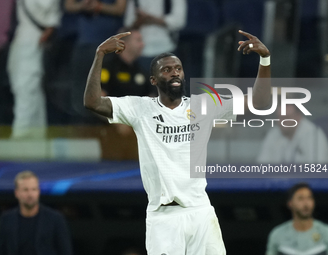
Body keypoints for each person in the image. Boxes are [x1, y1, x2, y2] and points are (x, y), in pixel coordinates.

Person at [83, 30, 271, 254]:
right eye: (166, 69)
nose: (174, 73)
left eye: (178, 69)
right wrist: (99, 55)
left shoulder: (205, 105)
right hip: (163, 218)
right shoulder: (140, 108)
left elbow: (259, 102)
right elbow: (92, 102)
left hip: (200, 211)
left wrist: (265, 59)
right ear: (153, 80)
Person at [65, 0, 127, 123]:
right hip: (84, 44)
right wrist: (83, 5)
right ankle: (82, 125)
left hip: (109, 44)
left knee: (107, 88)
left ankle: (107, 126)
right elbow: (68, 6)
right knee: (81, 90)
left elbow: (120, 8)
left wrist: (99, 6)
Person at [7, 0, 61, 139]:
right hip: (23, 35)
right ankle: (36, 135)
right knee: (26, 88)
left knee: (27, 87)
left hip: (33, 37)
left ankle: (21, 135)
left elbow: (48, 8)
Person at [0, 171, 73, 255]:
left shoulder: (55, 219)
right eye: (25, 190)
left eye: (34, 189)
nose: (30, 194)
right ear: (17, 193)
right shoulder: (6, 220)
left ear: (38, 191)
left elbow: (65, 251)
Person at [266, 183, 328, 255]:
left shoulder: (327, 232)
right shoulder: (277, 234)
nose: (306, 203)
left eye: (309, 198)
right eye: (300, 198)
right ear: (290, 203)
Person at [257, 103, 328, 164]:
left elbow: (319, 169)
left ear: (298, 117)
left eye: (286, 117)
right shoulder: (273, 134)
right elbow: (262, 166)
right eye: (279, 117)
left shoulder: (314, 134)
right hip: (278, 181)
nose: (281, 122)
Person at [124, 0, 187, 72]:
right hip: (142, 50)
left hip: (167, 48)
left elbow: (179, 22)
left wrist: (153, 19)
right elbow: (128, 24)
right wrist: (139, 20)